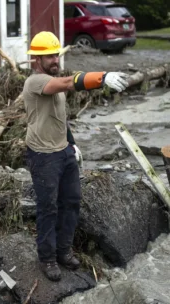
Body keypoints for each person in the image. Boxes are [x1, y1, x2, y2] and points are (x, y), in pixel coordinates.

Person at [21, 31, 128, 281]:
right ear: (37, 59)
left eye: (56, 54)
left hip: (64, 152)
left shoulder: (54, 81)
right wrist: (102, 77)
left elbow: (60, 119)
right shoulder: (36, 82)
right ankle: (47, 259)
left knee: (71, 202)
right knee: (48, 208)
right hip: (43, 155)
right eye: (49, 56)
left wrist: (72, 144)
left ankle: (64, 251)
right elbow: (70, 83)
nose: (55, 60)